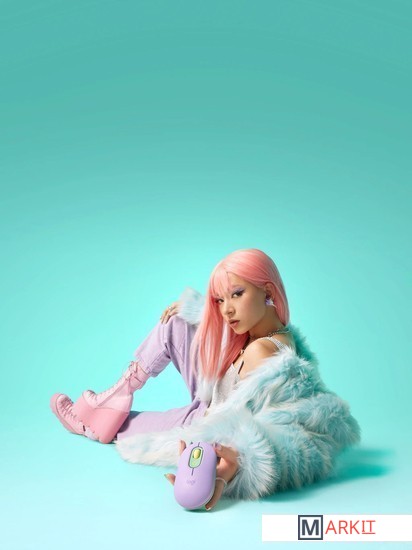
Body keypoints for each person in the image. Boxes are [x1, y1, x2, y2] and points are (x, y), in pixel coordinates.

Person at [50, 248, 360, 510]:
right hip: (213, 390)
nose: (227, 310)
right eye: (220, 300)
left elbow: (261, 428)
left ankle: (90, 424)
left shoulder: (263, 351)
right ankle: (117, 394)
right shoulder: (268, 334)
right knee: (176, 321)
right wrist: (202, 314)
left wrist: (229, 466)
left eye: (237, 294)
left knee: (127, 430)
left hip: (206, 418)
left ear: (268, 291)